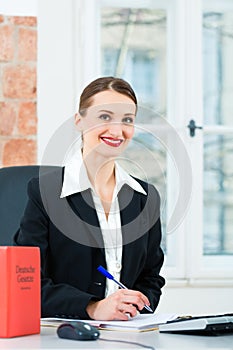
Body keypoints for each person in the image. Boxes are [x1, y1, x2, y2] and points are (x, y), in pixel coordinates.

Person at [14, 76, 165, 321]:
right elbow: (27, 284)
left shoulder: (145, 198)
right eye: (104, 117)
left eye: (127, 120)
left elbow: (151, 277)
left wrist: (134, 304)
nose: (117, 130)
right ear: (79, 121)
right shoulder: (45, 192)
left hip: (128, 333)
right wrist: (93, 308)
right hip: (62, 334)